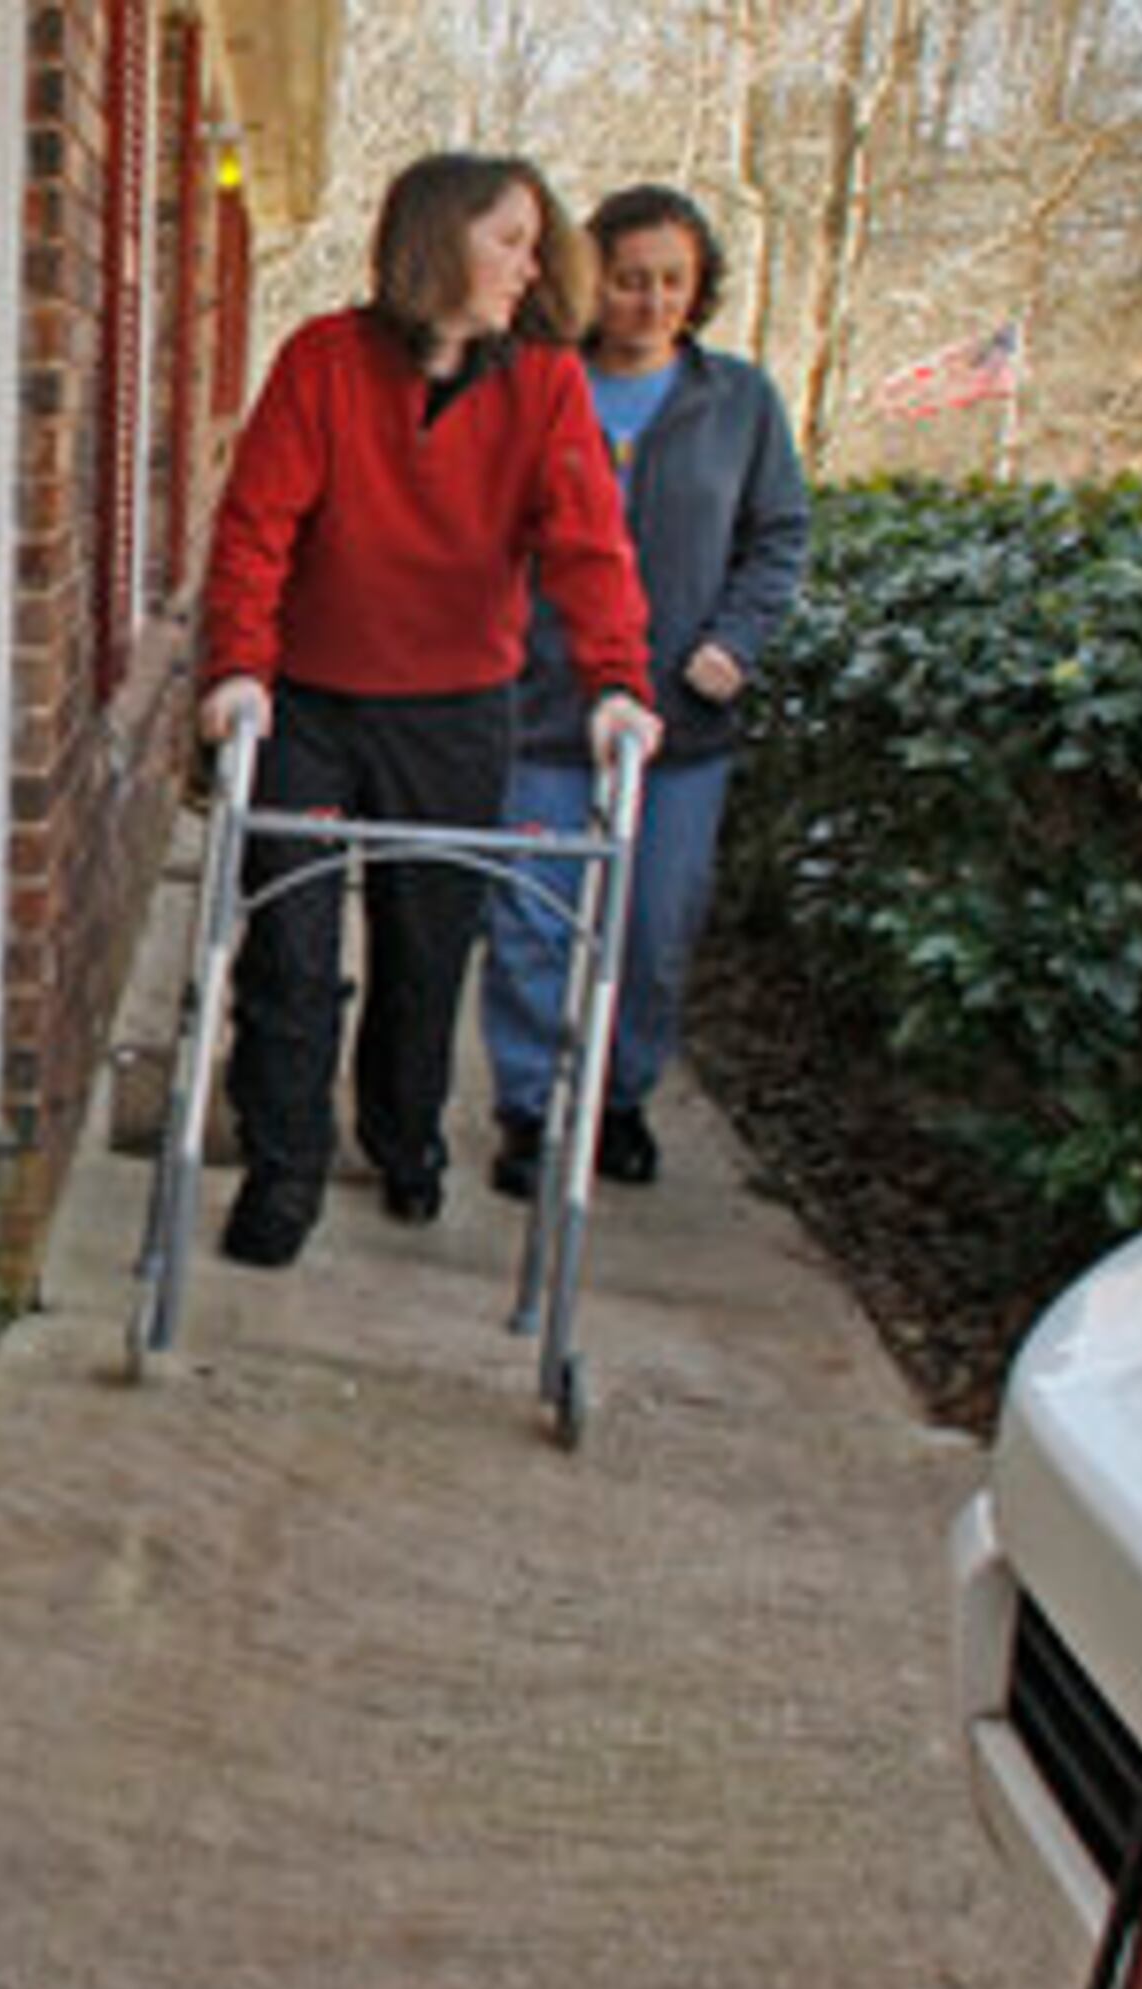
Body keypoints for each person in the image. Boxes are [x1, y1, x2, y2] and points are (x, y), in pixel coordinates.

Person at [197, 153, 662, 1270]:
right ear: (439, 238)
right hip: (310, 705)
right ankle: (283, 1170)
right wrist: (238, 667)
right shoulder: (324, 360)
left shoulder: (545, 383)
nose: (529, 267)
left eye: (535, 247)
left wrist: (616, 685)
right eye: (509, 241)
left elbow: (588, 544)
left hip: (454, 713)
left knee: (425, 946)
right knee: (292, 953)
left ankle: (403, 1135)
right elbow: (257, 527)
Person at [482, 184, 810, 1200]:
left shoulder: (739, 402)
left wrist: (734, 642)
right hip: (541, 705)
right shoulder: (541, 384)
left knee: (656, 929)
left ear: (698, 287)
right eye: (629, 280)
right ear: (592, 281)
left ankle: (617, 1099)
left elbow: (778, 538)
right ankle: (531, 1110)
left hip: (680, 718)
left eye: (673, 281)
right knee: (533, 919)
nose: (651, 301)